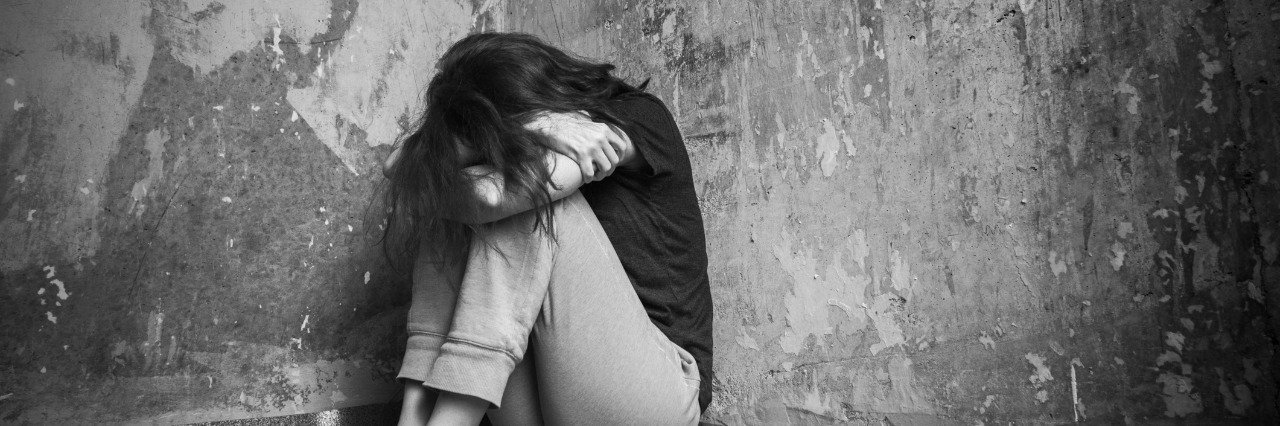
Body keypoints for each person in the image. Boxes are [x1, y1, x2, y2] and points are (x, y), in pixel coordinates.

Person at [379, 32, 713, 425]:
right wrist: (538, 124)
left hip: (660, 392)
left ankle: (451, 420)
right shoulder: (545, 124)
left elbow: (495, 198)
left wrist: (513, 129)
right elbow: (397, 165)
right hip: (551, 393)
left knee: (529, 198)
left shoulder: (635, 117)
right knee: (446, 191)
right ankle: (413, 417)